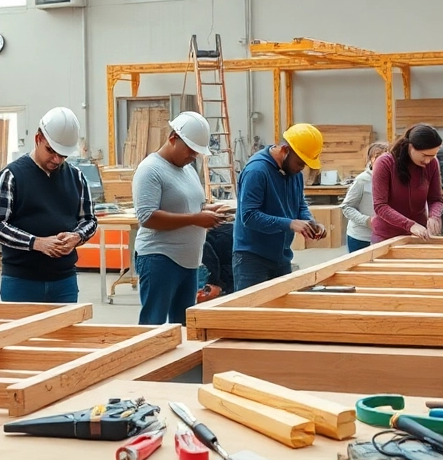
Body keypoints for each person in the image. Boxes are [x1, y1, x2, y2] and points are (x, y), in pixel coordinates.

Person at [0, 107, 98, 303]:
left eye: (63, 155)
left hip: (64, 280)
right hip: (21, 281)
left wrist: (76, 236)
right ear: (38, 138)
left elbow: (89, 220)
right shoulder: (11, 176)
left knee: (64, 335)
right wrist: (36, 243)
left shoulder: (77, 177)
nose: (56, 160)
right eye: (51, 151)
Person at [132, 112, 230, 324]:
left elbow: (190, 205)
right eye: (190, 150)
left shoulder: (187, 169)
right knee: (153, 325)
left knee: (185, 325)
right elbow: (147, 217)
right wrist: (195, 218)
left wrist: (208, 210)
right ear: (173, 138)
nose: (193, 156)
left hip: (189, 262)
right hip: (160, 258)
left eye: (197, 152)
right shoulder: (150, 170)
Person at [232, 123, 326, 290]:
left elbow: (299, 204)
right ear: (285, 150)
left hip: (282, 258)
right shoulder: (257, 171)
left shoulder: (293, 171)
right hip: (252, 260)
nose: (301, 168)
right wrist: (289, 223)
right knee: (252, 314)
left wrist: (310, 223)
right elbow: (249, 216)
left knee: (282, 314)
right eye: (299, 163)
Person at [372, 125, 443, 242]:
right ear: (410, 147)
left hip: (419, 236)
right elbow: (380, 206)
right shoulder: (385, 163)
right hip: (387, 237)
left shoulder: (432, 164)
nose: (428, 161)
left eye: (433, 156)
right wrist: (410, 225)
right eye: (424, 155)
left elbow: (436, 199)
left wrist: (434, 216)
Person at [340, 142, 390, 251]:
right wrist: (366, 221)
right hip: (360, 238)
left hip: (384, 238)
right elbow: (346, 207)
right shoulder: (362, 180)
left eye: (385, 156)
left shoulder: (393, 180)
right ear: (370, 159)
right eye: (377, 157)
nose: (381, 160)